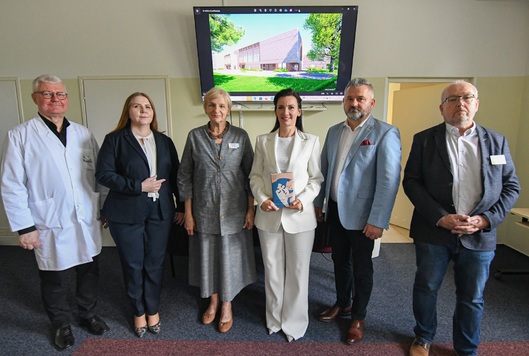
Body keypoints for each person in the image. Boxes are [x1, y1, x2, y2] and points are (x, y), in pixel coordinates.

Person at [403, 81, 520, 356]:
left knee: (472, 297)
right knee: (426, 287)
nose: (460, 104)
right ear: (442, 107)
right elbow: (412, 182)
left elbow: (511, 186)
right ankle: (423, 337)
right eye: (452, 99)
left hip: (479, 234)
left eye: (467, 97)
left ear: (476, 103)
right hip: (434, 232)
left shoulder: (497, 141)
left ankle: (467, 348)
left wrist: (486, 220)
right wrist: (441, 218)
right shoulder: (424, 139)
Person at [0, 74, 109, 351]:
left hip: (85, 216)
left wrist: (104, 207)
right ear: (35, 98)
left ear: (67, 99)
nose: (55, 99)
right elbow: (11, 184)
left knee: (89, 269)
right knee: (54, 275)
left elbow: (99, 175)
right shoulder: (20, 135)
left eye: (60, 94)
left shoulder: (83, 133)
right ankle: (60, 323)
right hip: (47, 219)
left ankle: (86, 313)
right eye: (48, 94)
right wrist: (25, 228)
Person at [314, 78, 401, 345]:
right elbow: (323, 171)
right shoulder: (333, 131)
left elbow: (389, 180)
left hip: (365, 219)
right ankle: (343, 303)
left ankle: (359, 317)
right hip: (336, 213)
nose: (354, 103)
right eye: (350, 98)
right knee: (340, 262)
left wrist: (378, 220)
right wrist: (319, 204)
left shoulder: (385, 133)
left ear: (371, 103)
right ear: (344, 102)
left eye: (360, 99)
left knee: (362, 269)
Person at [95, 92, 183, 337]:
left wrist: (182, 207)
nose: (143, 110)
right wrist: (138, 186)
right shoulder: (115, 140)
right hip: (125, 213)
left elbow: (176, 176)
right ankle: (138, 311)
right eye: (137, 106)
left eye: (147, 106)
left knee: (155, 263)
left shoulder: (164, 142)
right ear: (128, 111)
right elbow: (103, 174)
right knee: (133, 264)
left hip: (160, 211)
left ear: (153, 112)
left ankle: (153, 308)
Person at [177, 87, 256, 333]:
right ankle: (212, 301)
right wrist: (188, 213)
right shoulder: (194, 136)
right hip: (204, 210)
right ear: (205, 109)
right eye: (212, 105)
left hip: (234, 210)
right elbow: (184, 176)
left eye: (222, 106)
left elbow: (251, 175)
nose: (217, 110)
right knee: (207, 257)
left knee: (230, 259)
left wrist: (250, 209)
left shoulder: (241, 137)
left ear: (228, 109)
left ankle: (227, 305)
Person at [249, 88, 323, 342]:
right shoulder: (262, 141)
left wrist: (302, 201)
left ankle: (294, 322)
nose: (286, 112)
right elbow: (255, 177)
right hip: (269, 216)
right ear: (275, 111)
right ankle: (274, 319)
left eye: (291, 107)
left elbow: (316, 179)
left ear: (299, 111)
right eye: (281, 107)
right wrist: (262, 199)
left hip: (299, 218)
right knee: (272, 270)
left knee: (298, 272)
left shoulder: (311, 141)